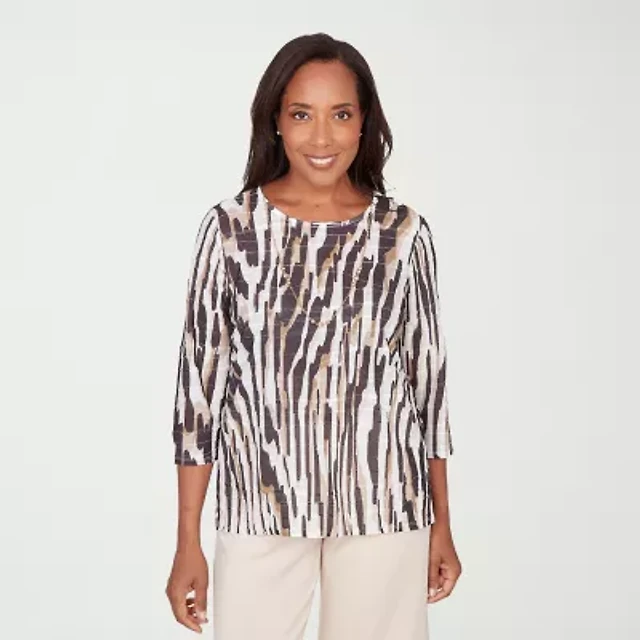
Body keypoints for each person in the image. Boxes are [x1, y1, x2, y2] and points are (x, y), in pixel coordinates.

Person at [165, 32, 462, 640]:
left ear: (364, 123)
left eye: (341, 114)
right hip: (260, 501)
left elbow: (427, 388)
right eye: (302, 114)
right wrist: (187, 540)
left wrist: (442, 522)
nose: (321, 137)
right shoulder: (231, 231)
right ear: (274, 121)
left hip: (384, 501)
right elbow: (197, 394)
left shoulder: (402, 234)